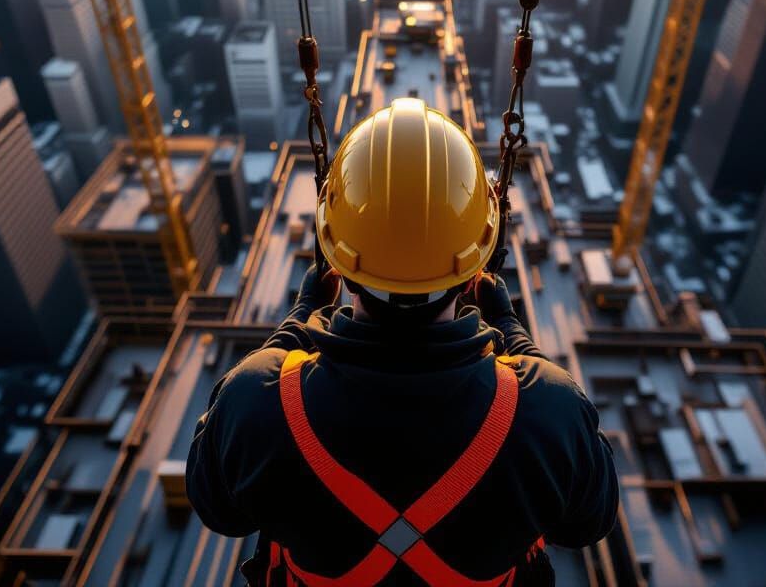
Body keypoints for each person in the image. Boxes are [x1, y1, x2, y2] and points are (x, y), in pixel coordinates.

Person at [187, 98, 619, 585]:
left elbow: (218, 510)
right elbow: (590, 520)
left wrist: (295, 322)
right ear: (476, 265)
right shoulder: (547, 413)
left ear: (338, 264)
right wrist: (514, 333)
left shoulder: (259, 405)